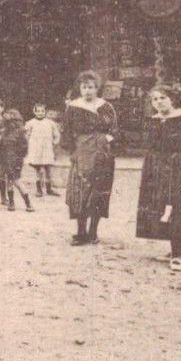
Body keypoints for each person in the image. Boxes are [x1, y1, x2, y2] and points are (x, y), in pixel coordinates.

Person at [135, 88, 181, 272]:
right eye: (154, 99)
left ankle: (177, 253)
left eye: (162, 98)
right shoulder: (153, 120)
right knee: (160, 205)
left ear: (172, 99)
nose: (158, 102)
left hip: (178, 167)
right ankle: (174, 248)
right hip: (157, 167)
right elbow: (150, 144)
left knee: (177, 205)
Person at [64, 71, 117, 245]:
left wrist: (107, 140)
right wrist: (73, 152)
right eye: (84, 87)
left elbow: (115, 129)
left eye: (91, 87)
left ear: (97, 88)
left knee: (99, 189)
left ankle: (93, 231)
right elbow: (67, 132)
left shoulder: (106, 106)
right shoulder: (73, 107)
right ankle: (80, 232)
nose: (88, 91)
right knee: (80, 190)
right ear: (79, 88)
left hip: (102, 152)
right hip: (82, 151)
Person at [0, 106, 33, 212]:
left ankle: (28, 203)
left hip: (15, 161)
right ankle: (11, 202)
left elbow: (23, 148)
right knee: (9, 181)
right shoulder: (4, 131)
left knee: (17, 181)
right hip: (6, 159)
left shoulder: (20, 132)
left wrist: (19, 160)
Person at [24, 103, 61, 197]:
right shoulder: (30, 123)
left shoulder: (50, 123)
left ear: (45, 112)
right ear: (34, 111)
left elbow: (56, 135)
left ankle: (49, 189)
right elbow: (26, 136)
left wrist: (54, 143)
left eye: (42, 111)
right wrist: (28, 145)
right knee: (39, 170)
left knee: (48, 170)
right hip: (36, 150)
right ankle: (39, 189)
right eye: (38, 111)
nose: (40, 113)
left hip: (47, 149)